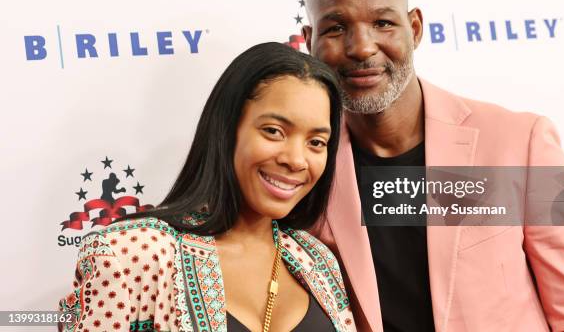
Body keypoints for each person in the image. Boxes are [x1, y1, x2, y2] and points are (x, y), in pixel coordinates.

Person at [301, 0, 564, 332]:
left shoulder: (523, 142)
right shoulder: (302, 167)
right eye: (335, 28)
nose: (362, 47)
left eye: (382, 23)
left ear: (414, 28)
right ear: (309, 40)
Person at [58, 42, 356, 332]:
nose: (296, 160)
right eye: (273, 131)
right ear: (227, 129)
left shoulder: (316, 259)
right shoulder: (129, 255)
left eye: (316, 142)